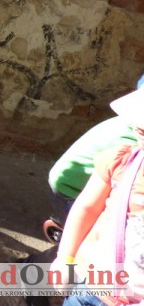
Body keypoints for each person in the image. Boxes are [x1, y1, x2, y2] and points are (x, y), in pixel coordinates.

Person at [50, 82, 144, 305]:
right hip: (91, 286)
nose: (138, 128)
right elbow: (87, 206)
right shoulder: (122, 159)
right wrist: (65, 258)